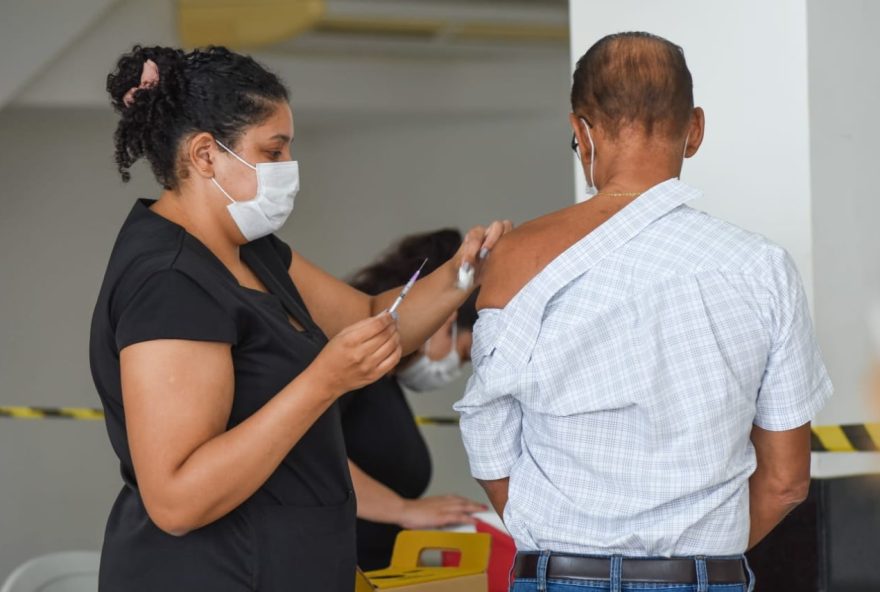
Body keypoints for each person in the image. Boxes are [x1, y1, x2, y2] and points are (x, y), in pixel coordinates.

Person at [89, 45, 510, 592]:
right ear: (205, 155)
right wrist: (324, 381)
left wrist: (464, 275)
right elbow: (177, 499)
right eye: (273, 151)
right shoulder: (168, 281)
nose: (289, 170)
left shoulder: (254, 250)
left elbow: (368, 318)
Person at [454, 32, 832, 592]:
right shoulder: (760, 267)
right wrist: (695, 556)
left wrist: (568, 536)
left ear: (580, 132)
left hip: (558, 574)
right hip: (705, 577)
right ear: (696, 129)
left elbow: (489, 441)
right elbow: (786, 483)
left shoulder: (514, 256)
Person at [341, 229, 487, 570]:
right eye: (464, 354)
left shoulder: (384, 381)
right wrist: (402, 510)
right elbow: (308, 455)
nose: (457, 368)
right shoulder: (350, 367)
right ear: (444, 319)